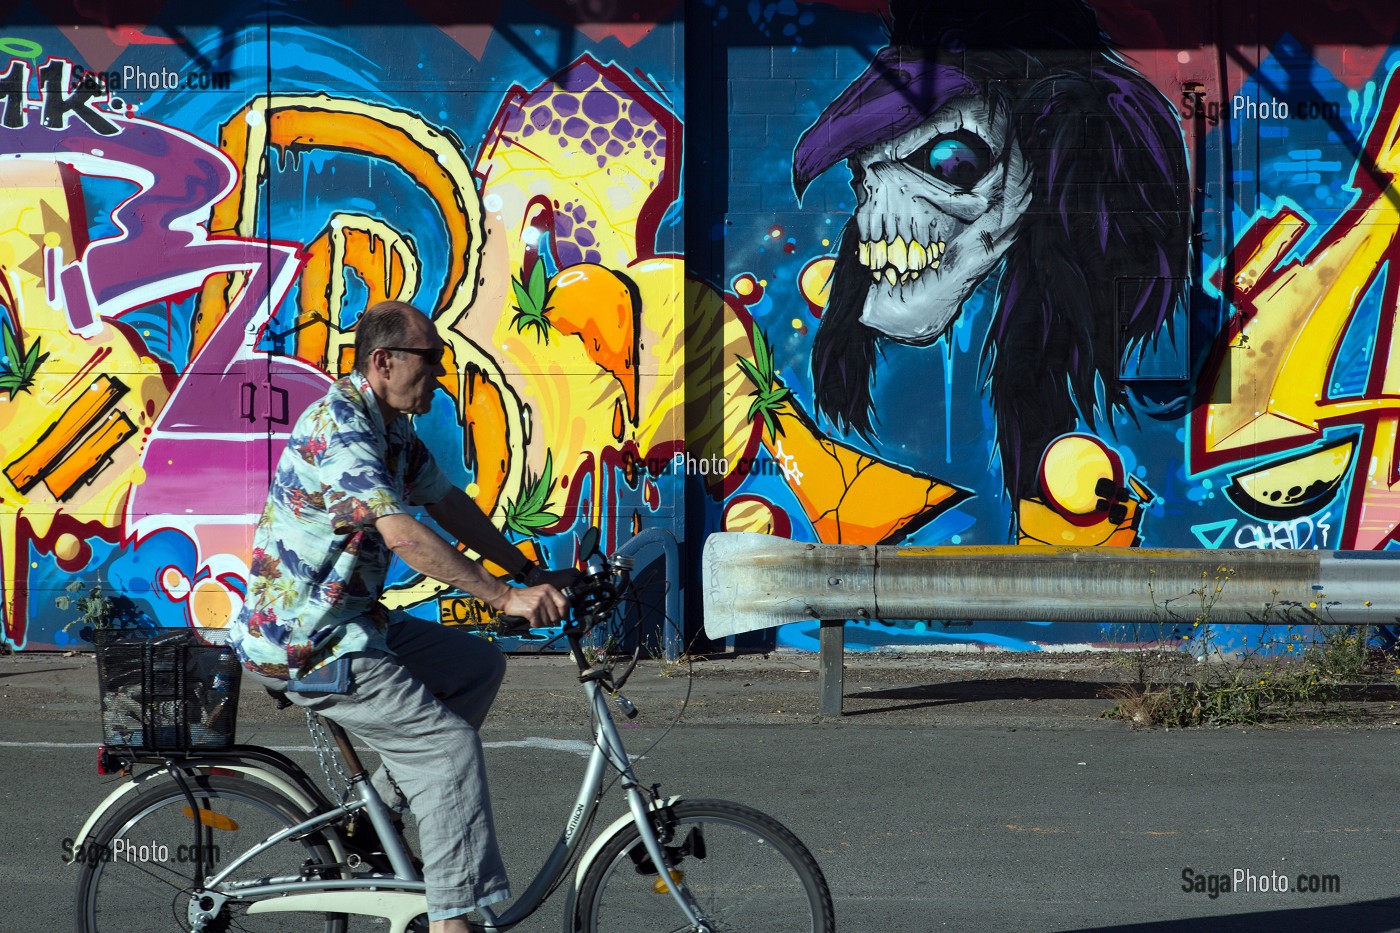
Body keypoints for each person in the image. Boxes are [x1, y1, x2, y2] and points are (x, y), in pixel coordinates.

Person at [227, 299, 572, 933]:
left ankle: (370, 819)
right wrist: (500, 598)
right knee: (445, 751)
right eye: (431, 361)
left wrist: (525, 572)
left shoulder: (390, 428)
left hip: (353, 623)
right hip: (309, 642)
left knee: (475, 664)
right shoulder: (341, 428)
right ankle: (452, 918)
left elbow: (446, 503)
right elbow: (404, 533)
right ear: (383, 362)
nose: (440, 375)